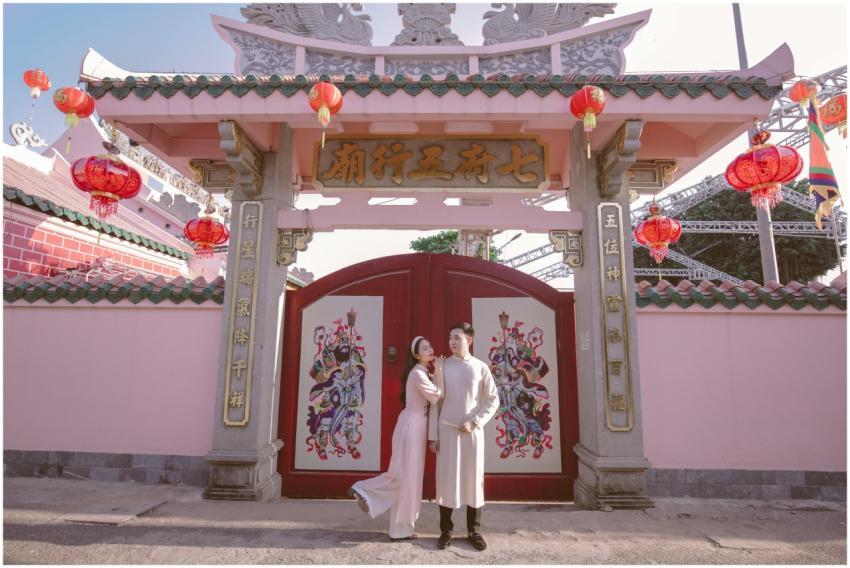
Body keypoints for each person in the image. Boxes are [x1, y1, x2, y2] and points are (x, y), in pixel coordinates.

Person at [348, 336, 445, 541]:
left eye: (430, 346)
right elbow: (436, 395)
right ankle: (365, 489)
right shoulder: (419, 373)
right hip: (412, 426)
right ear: (416, 355)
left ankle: (400, 530)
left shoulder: (422, 372)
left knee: (410, 478)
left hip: (415, 425)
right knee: (404, 475)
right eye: (425, 348)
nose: (430, 350)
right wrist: (440, 372)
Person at [428, 322, 499, 551]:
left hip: (472, 433)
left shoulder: (480, 367)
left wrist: (476, 421)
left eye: (457, 337)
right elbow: (435, 403)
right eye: (450, 337)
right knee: (447, 480)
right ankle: (445, 531)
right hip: (447, 431)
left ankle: (474, 531)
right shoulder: (442, 366)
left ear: (469, 340)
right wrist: (433, 435)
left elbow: (493, 399)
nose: (452, 341)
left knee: (473, 480)